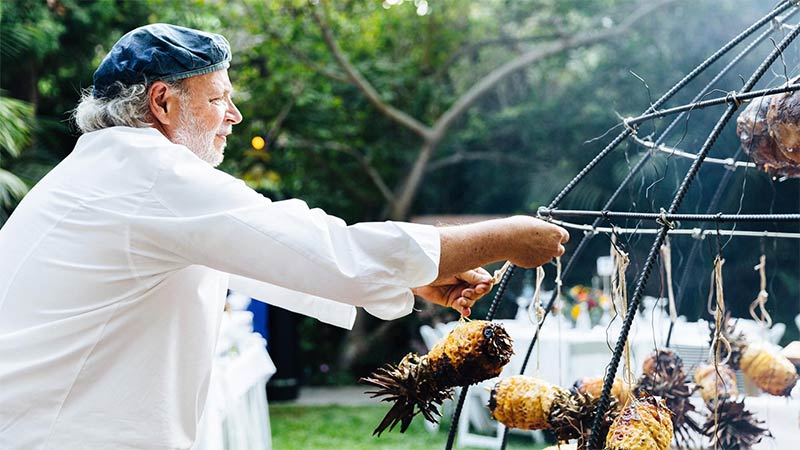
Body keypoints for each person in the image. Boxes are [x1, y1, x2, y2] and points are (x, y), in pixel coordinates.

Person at [0, 24, 569, 449]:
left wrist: (417, 278)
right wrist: (505, 237)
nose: (235, 116)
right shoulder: (145, 172)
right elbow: (319, 247)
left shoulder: (111, 170)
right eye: (219, 98)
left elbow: (265, 258)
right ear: (163, 102)